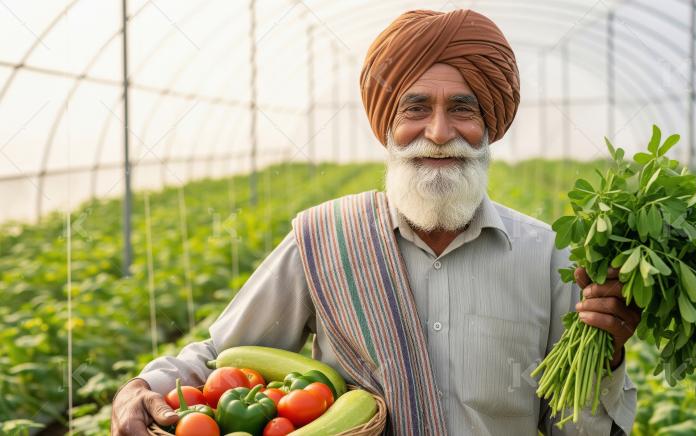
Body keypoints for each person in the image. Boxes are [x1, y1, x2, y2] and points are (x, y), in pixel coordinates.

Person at [112, 9, 638, 435]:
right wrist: (141, 385)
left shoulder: (547, 257)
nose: (437, 132)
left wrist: (608, 356)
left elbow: (575, 428)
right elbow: (221, 353)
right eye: (414, 109)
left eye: (462, 108)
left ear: (489, 126)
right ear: (386, 125)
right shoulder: (325, 239)